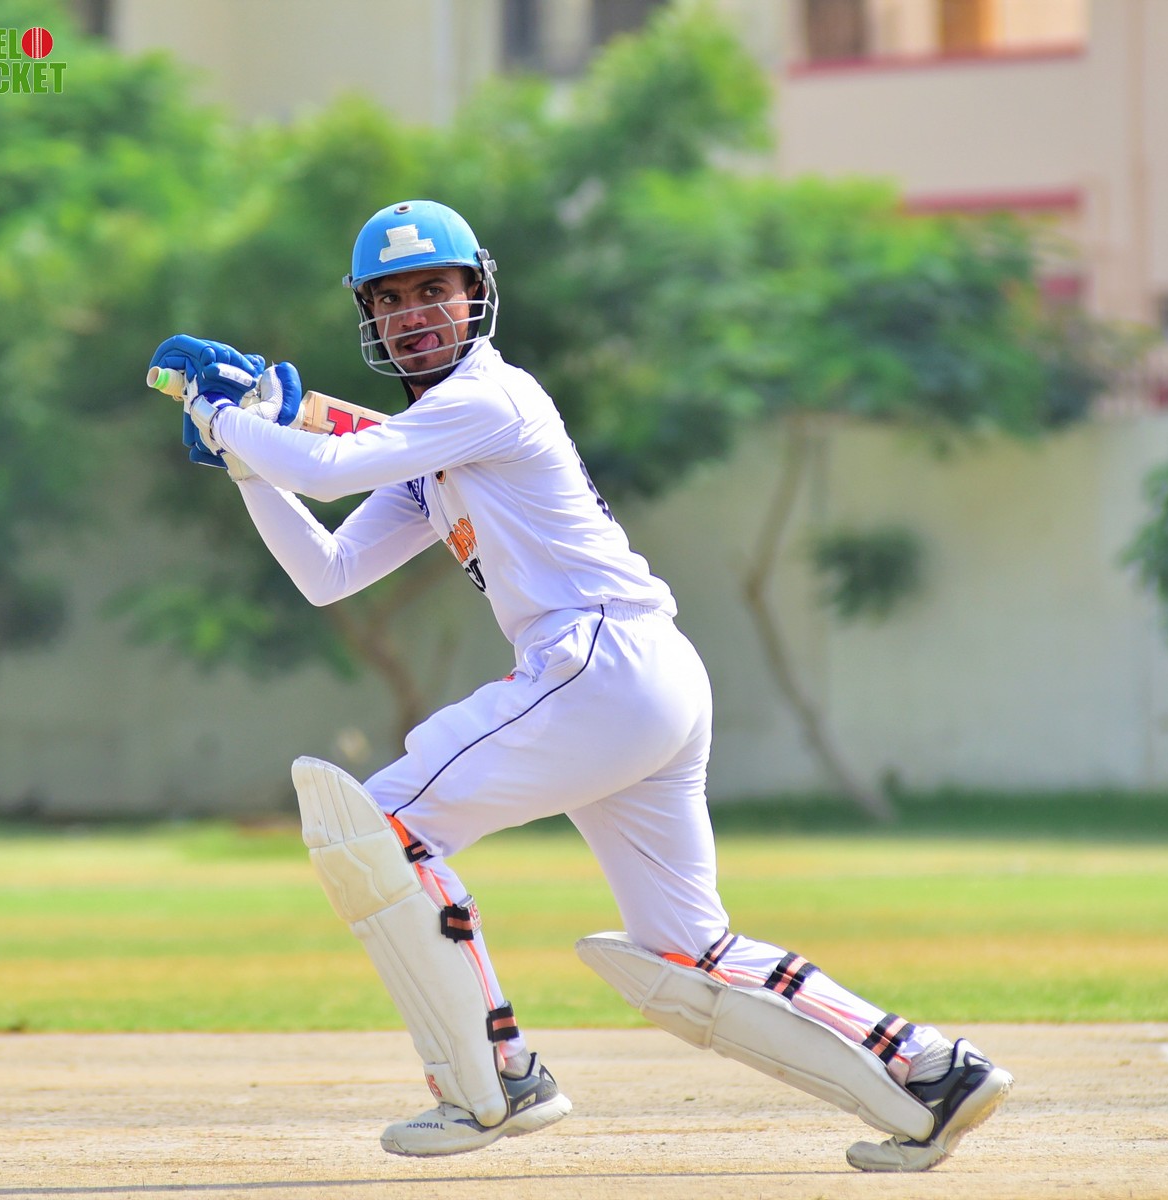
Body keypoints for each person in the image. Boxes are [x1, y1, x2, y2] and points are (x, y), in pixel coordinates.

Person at [148, 199, 1012, 1172]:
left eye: (434, 289)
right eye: (390, 299)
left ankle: (497, 1077)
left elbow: (328, 467)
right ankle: (930, 1071)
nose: (414, 313)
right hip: (641, 679)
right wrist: (248, 467)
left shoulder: (490, 396)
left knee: (379, 829)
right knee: (688, 947)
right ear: (370, 318)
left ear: (476, 293)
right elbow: (329, 570)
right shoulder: (435, 447)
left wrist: (223, 416)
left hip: (597, 664)